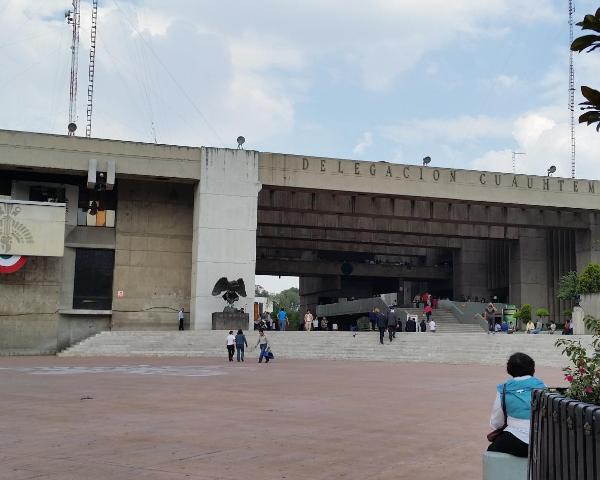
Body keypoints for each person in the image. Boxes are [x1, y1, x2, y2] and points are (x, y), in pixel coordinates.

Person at [488, 352, 545, 458]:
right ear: (532, 368)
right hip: (542, 439)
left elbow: (496, 422)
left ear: (509, 370)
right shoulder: (543, 386)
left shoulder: (503, 389)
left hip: (516, 438)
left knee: (491, 451)